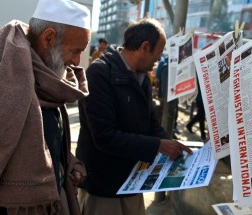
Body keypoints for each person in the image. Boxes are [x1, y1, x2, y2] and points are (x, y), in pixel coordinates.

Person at [76, 18, 192, 215]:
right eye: (159, 51)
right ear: (145, 47)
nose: (159, 58)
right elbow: (105, 137)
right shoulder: (99, 73)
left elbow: (150, 122)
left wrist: (168, 142)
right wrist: (158, 146)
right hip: (104, 187)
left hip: (133, 181)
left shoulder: (142, 76)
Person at [0, 0, 90, 214]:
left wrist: (67, 162)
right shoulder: (2, 78)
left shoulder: (48, 85)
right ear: (49, 38)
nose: (77, 61)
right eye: (75, 50)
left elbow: (47, 138)